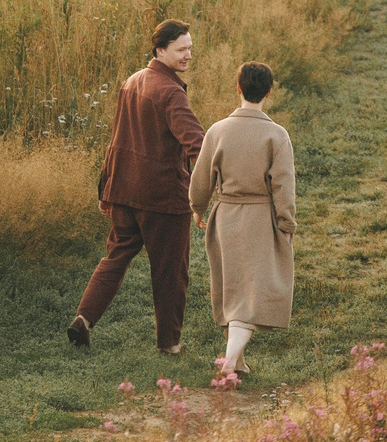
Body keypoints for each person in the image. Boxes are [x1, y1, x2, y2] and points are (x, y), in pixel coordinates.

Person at [69, 20, 205, 354]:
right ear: (160, 50)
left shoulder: (132, 81)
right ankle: (169, 344)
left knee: (116, 257)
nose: (189, 55)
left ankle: (83, 319)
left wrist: (105, 187)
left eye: (190, 48)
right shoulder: (171, 93)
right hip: (162, 197)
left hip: (124, 190)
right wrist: (213, 183)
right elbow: (198, 145)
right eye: (181, 49)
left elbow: (116, 140)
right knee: (170, 272)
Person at [188, 60, 295, 380]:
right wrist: (286, 223)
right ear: (269, 93)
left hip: (225, 217)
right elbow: (283, 185)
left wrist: (198, 208)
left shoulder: (217, 131)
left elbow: (201, 179)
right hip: (261, 219)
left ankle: (237, 362)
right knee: (251, 295)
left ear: (238, 88)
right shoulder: (277, 135)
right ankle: (229, 362)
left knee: (233, 288)